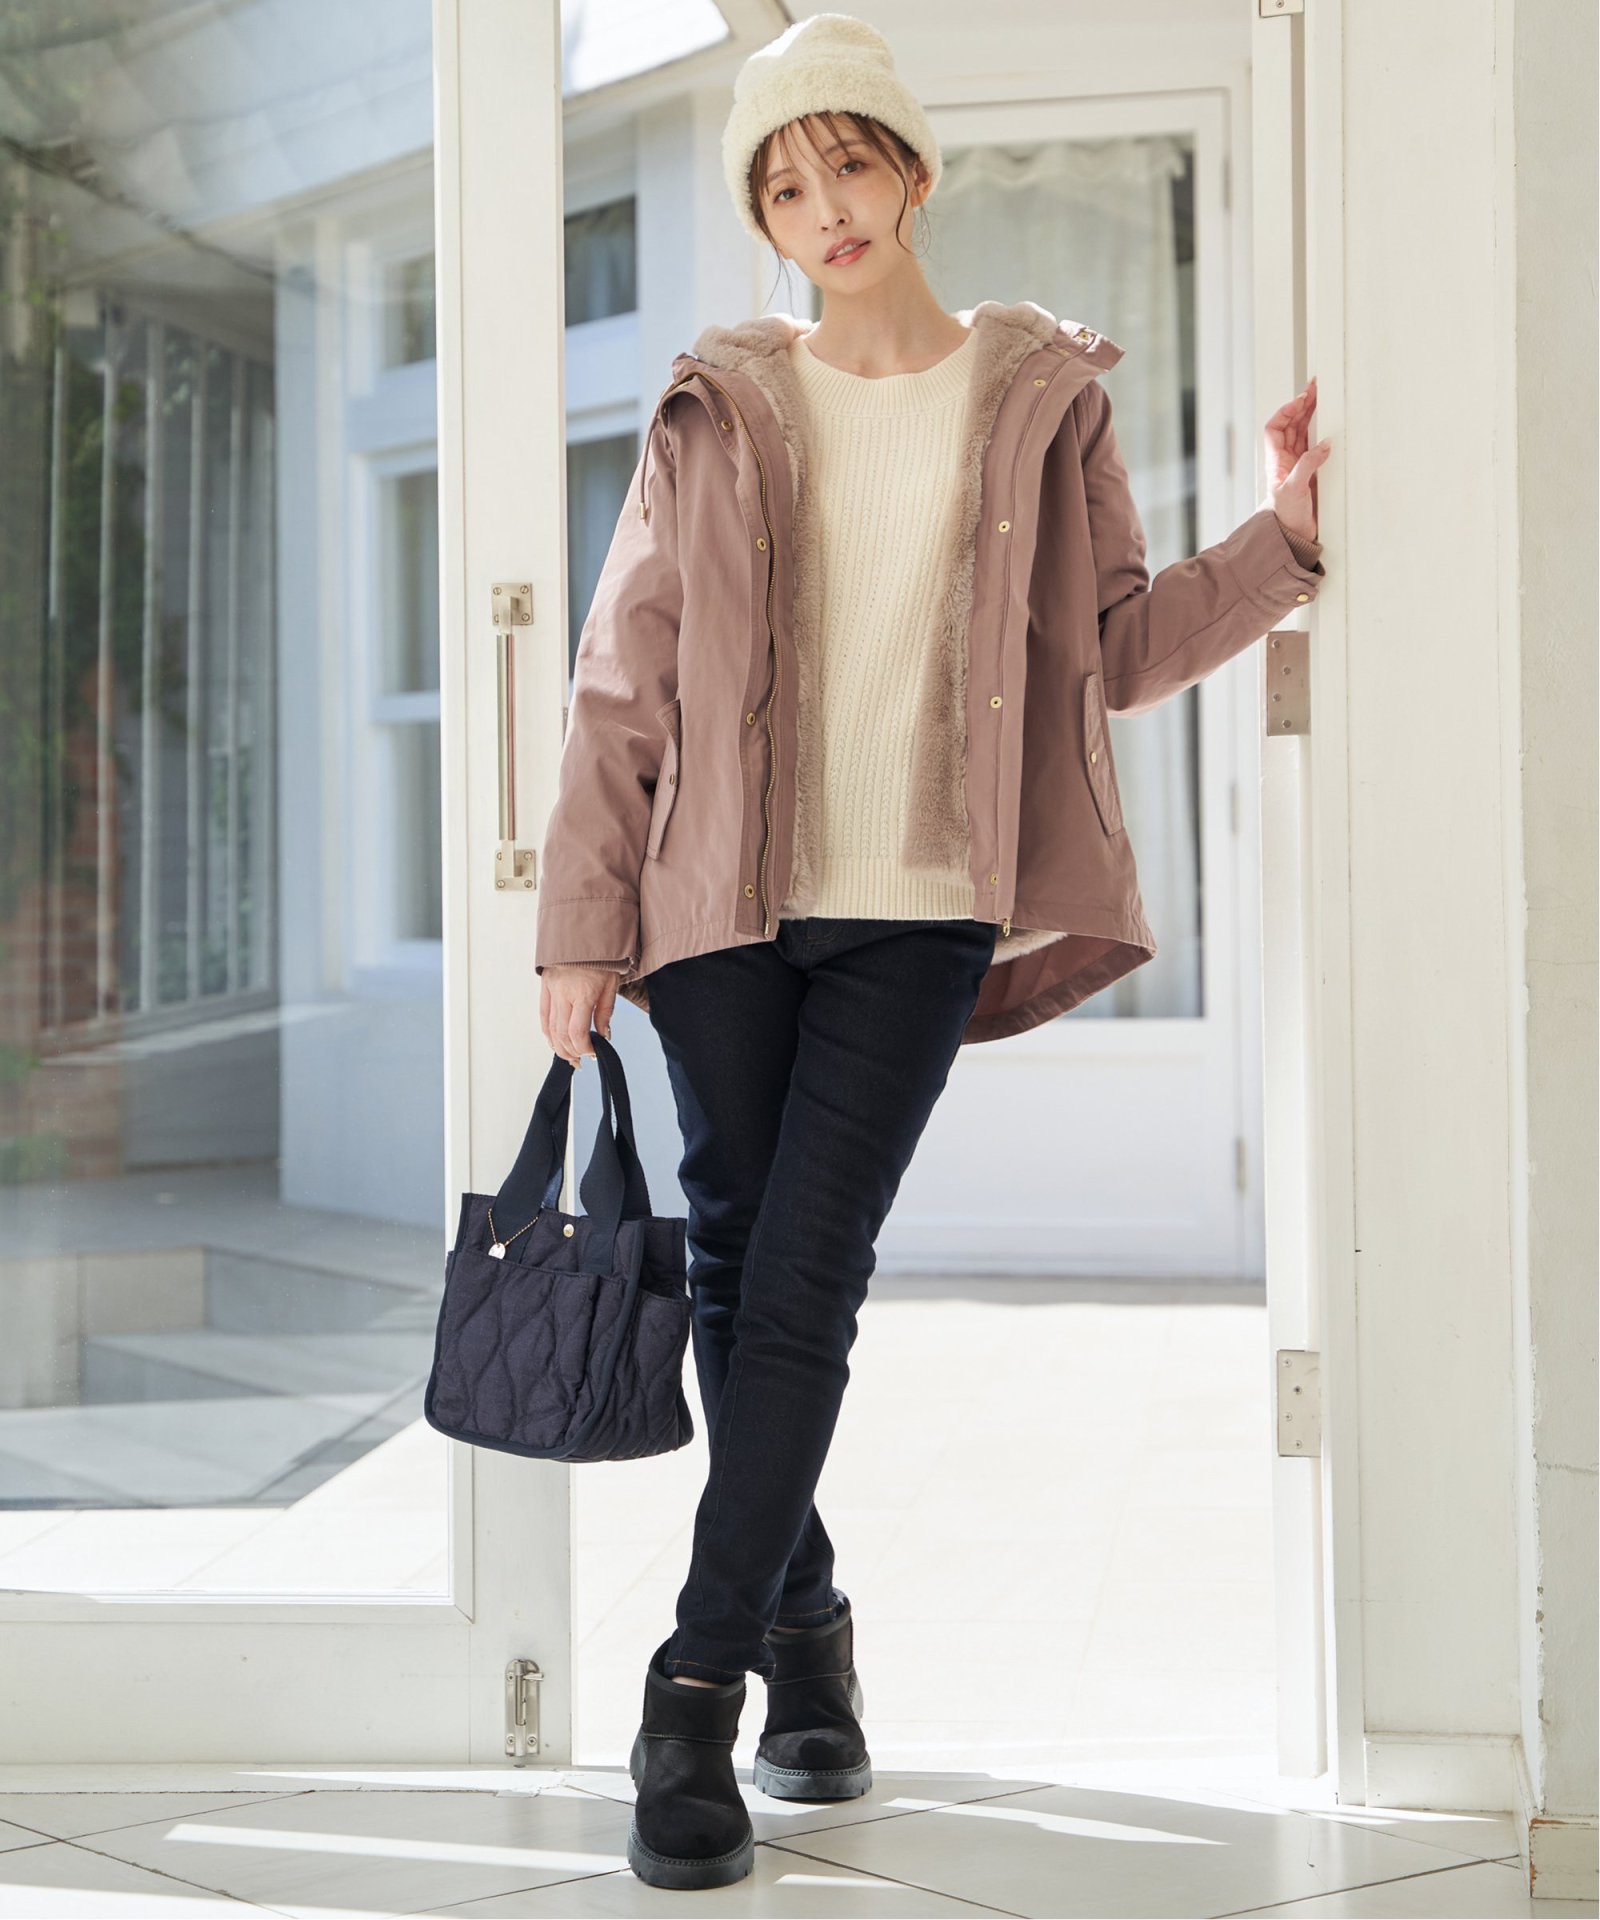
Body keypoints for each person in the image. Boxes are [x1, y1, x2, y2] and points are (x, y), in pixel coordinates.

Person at [535, 12, 1330, 1891]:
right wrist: (582, 923)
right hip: (717, 909)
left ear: (910, 170)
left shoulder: (1037, 389)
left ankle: (691, 1690)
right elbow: (621, 673)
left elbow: (1114, 647)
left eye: (848, 164)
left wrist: (1284, 543)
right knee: (740, 1269)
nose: (824, 209)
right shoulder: (720, 400)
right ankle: (808, 1635)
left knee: (803, 1276)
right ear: (765, 217)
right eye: (784, 187)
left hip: (919, 904)